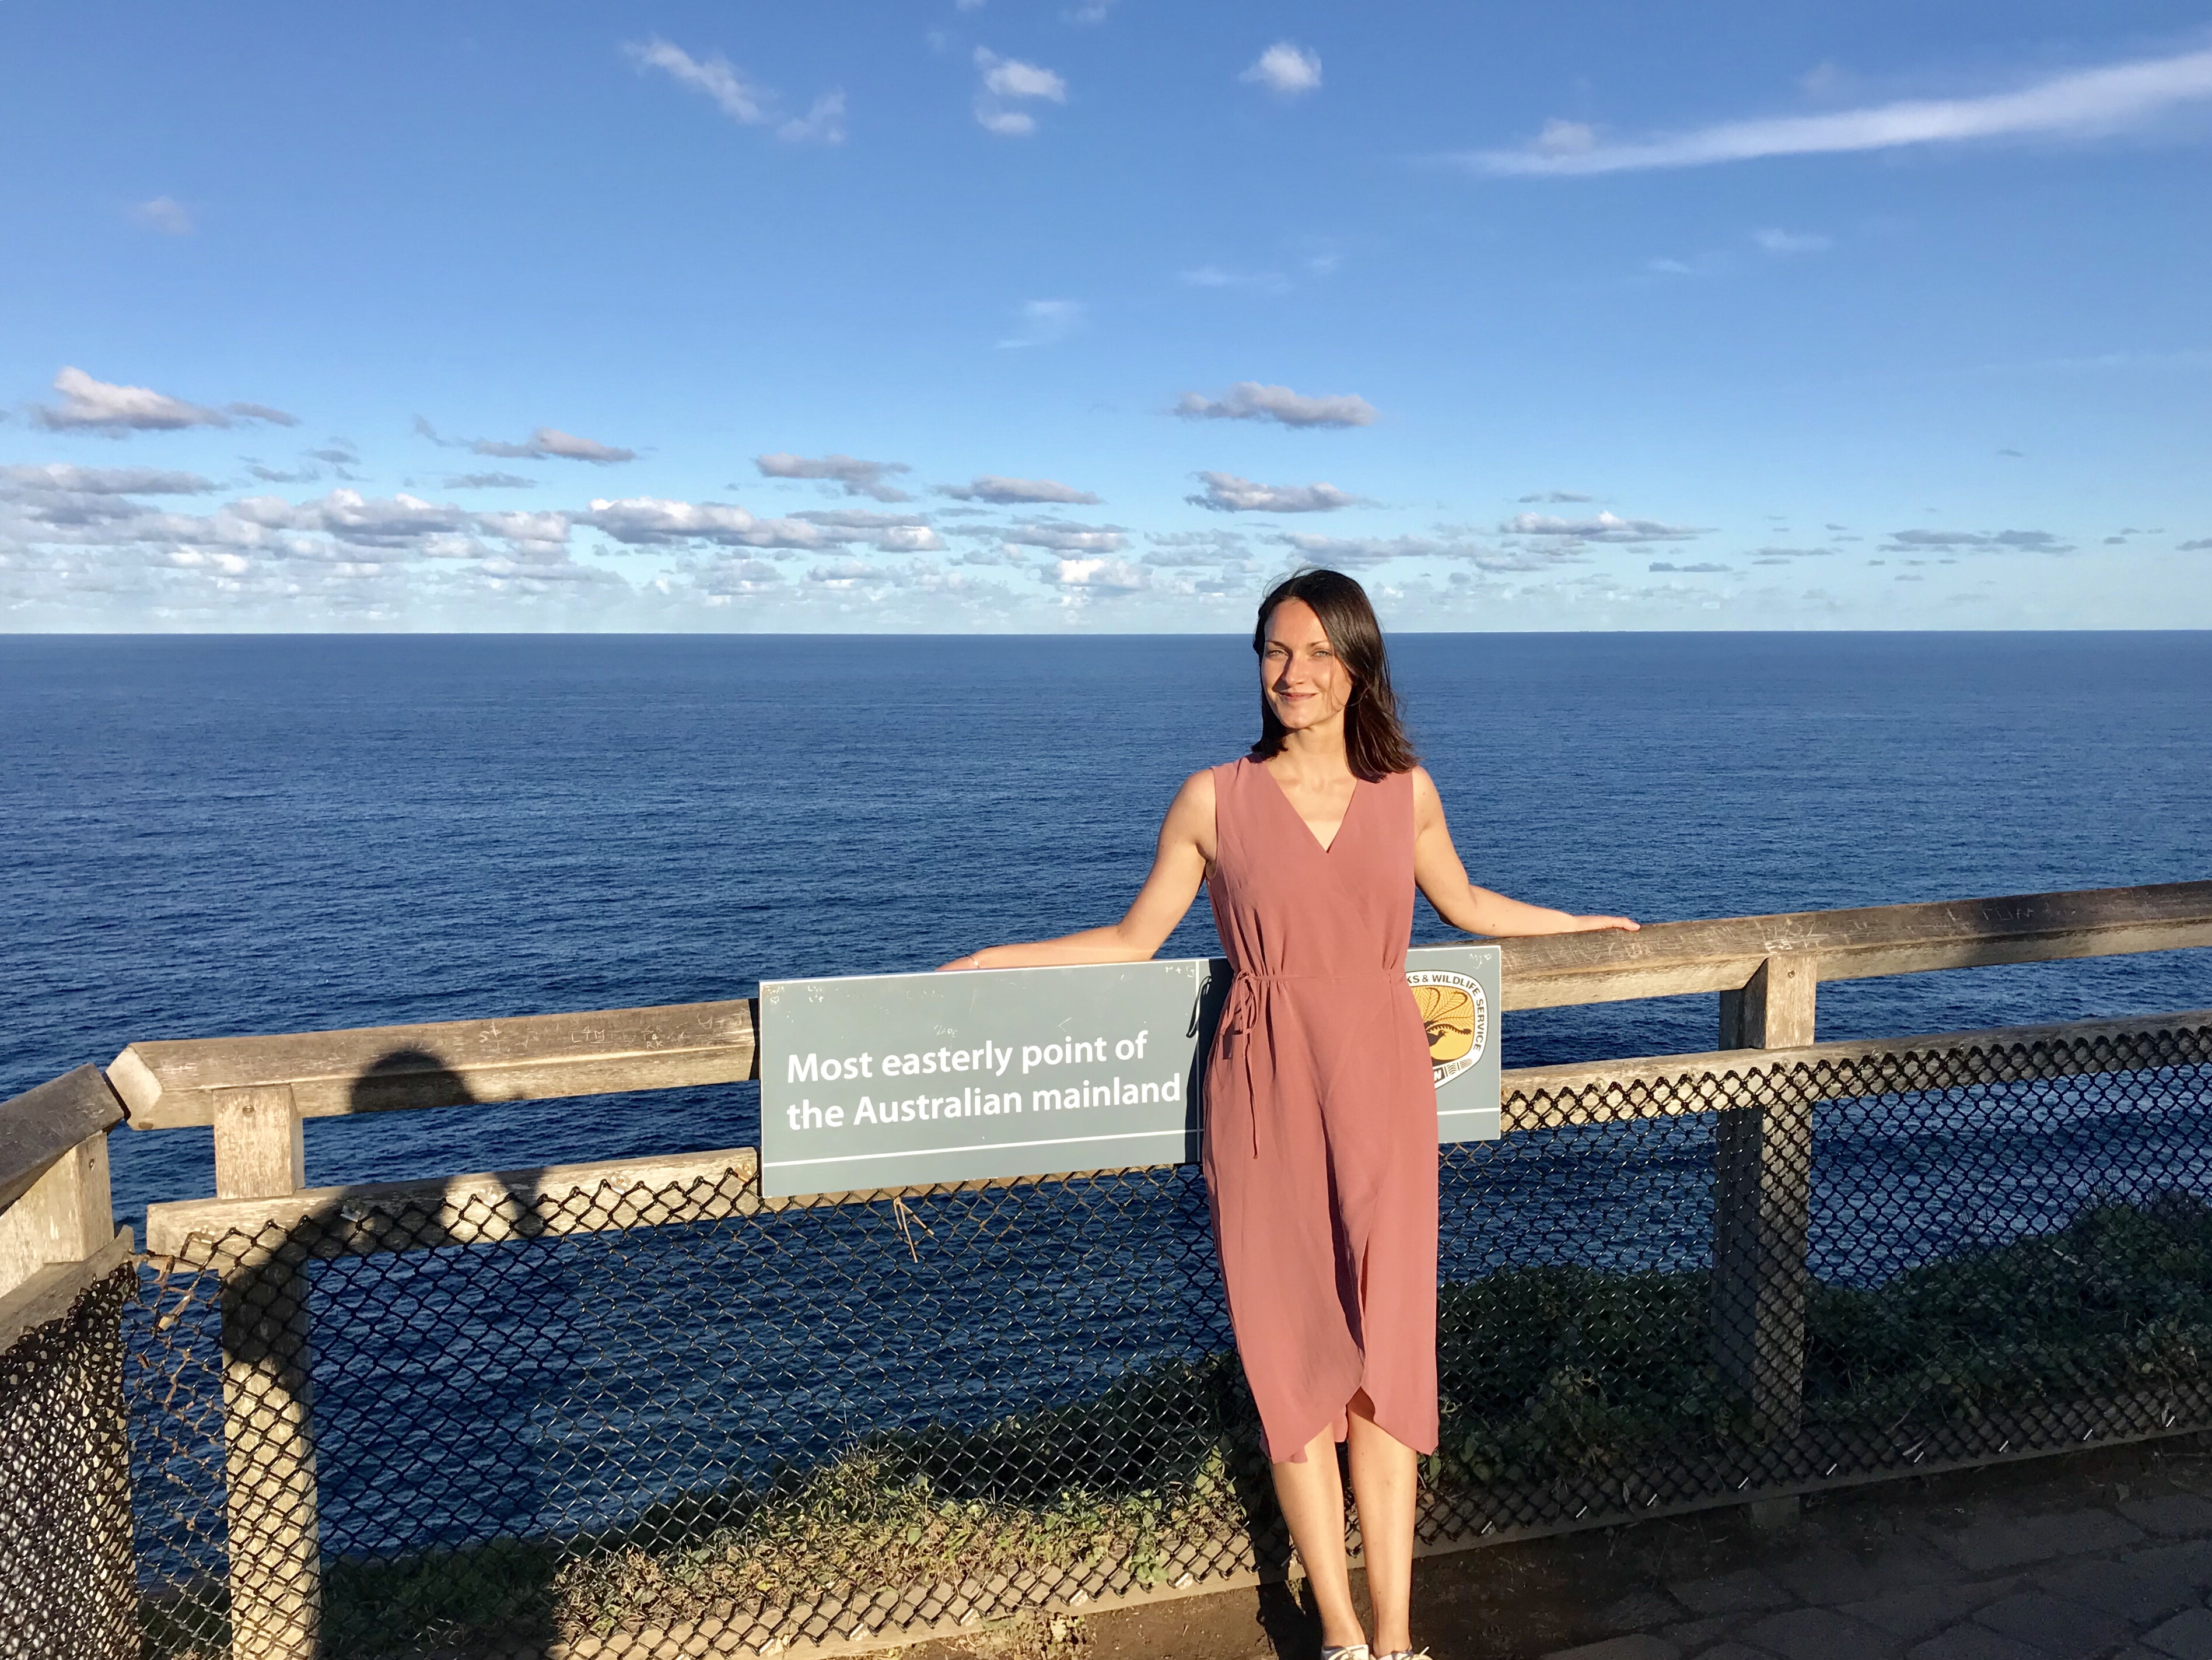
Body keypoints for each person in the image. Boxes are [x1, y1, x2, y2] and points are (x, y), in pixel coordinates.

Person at [940, 569, 1637, 1660]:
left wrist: (1584, 923)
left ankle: (1399, 1634)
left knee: (1386, 1358)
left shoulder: (1406, 792)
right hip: (1262, 1090)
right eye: (1275, 650)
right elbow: (1132, 939)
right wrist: (992, 959)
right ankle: (1344, 1634)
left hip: (1382, 1083)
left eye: (1316, 651)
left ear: (1358, 665)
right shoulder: (1213, 798)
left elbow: (1466, 903)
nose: (1293, 672)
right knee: (1293, 1354)